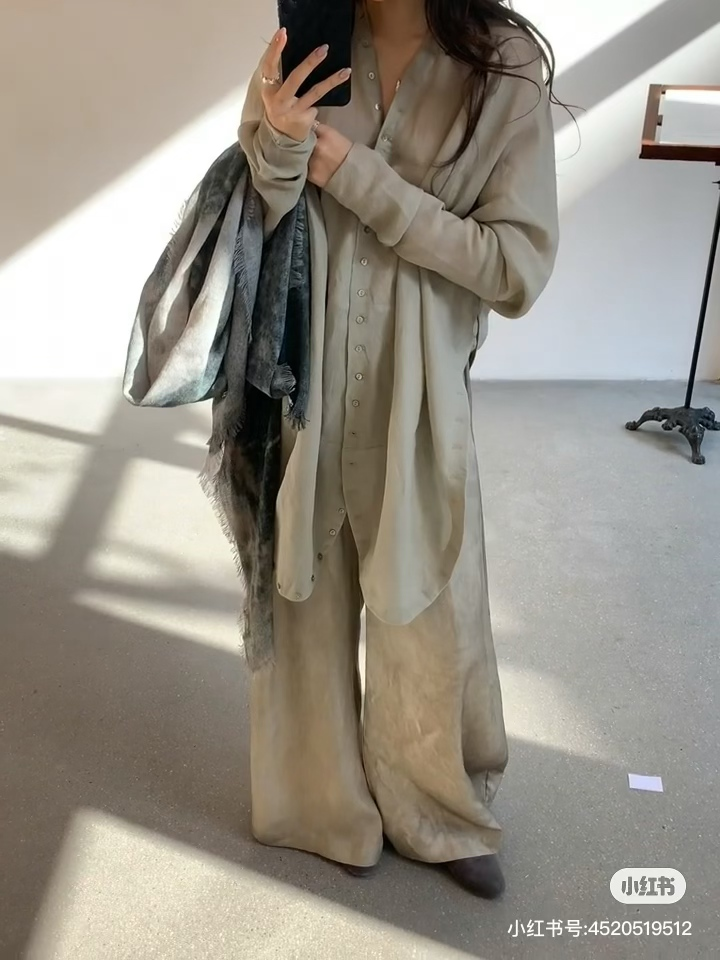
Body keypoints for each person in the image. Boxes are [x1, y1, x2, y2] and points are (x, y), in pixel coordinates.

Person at [238, 0, 559, 898]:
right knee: (302, 589)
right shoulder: (307, 37)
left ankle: (437, 807)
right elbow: (257, 215)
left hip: (418, 386)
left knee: (430, 596)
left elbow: (514, 269)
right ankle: (319, 801)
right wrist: (280, 144)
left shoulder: (502, 67)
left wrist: (359, 179)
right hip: (302, 372)